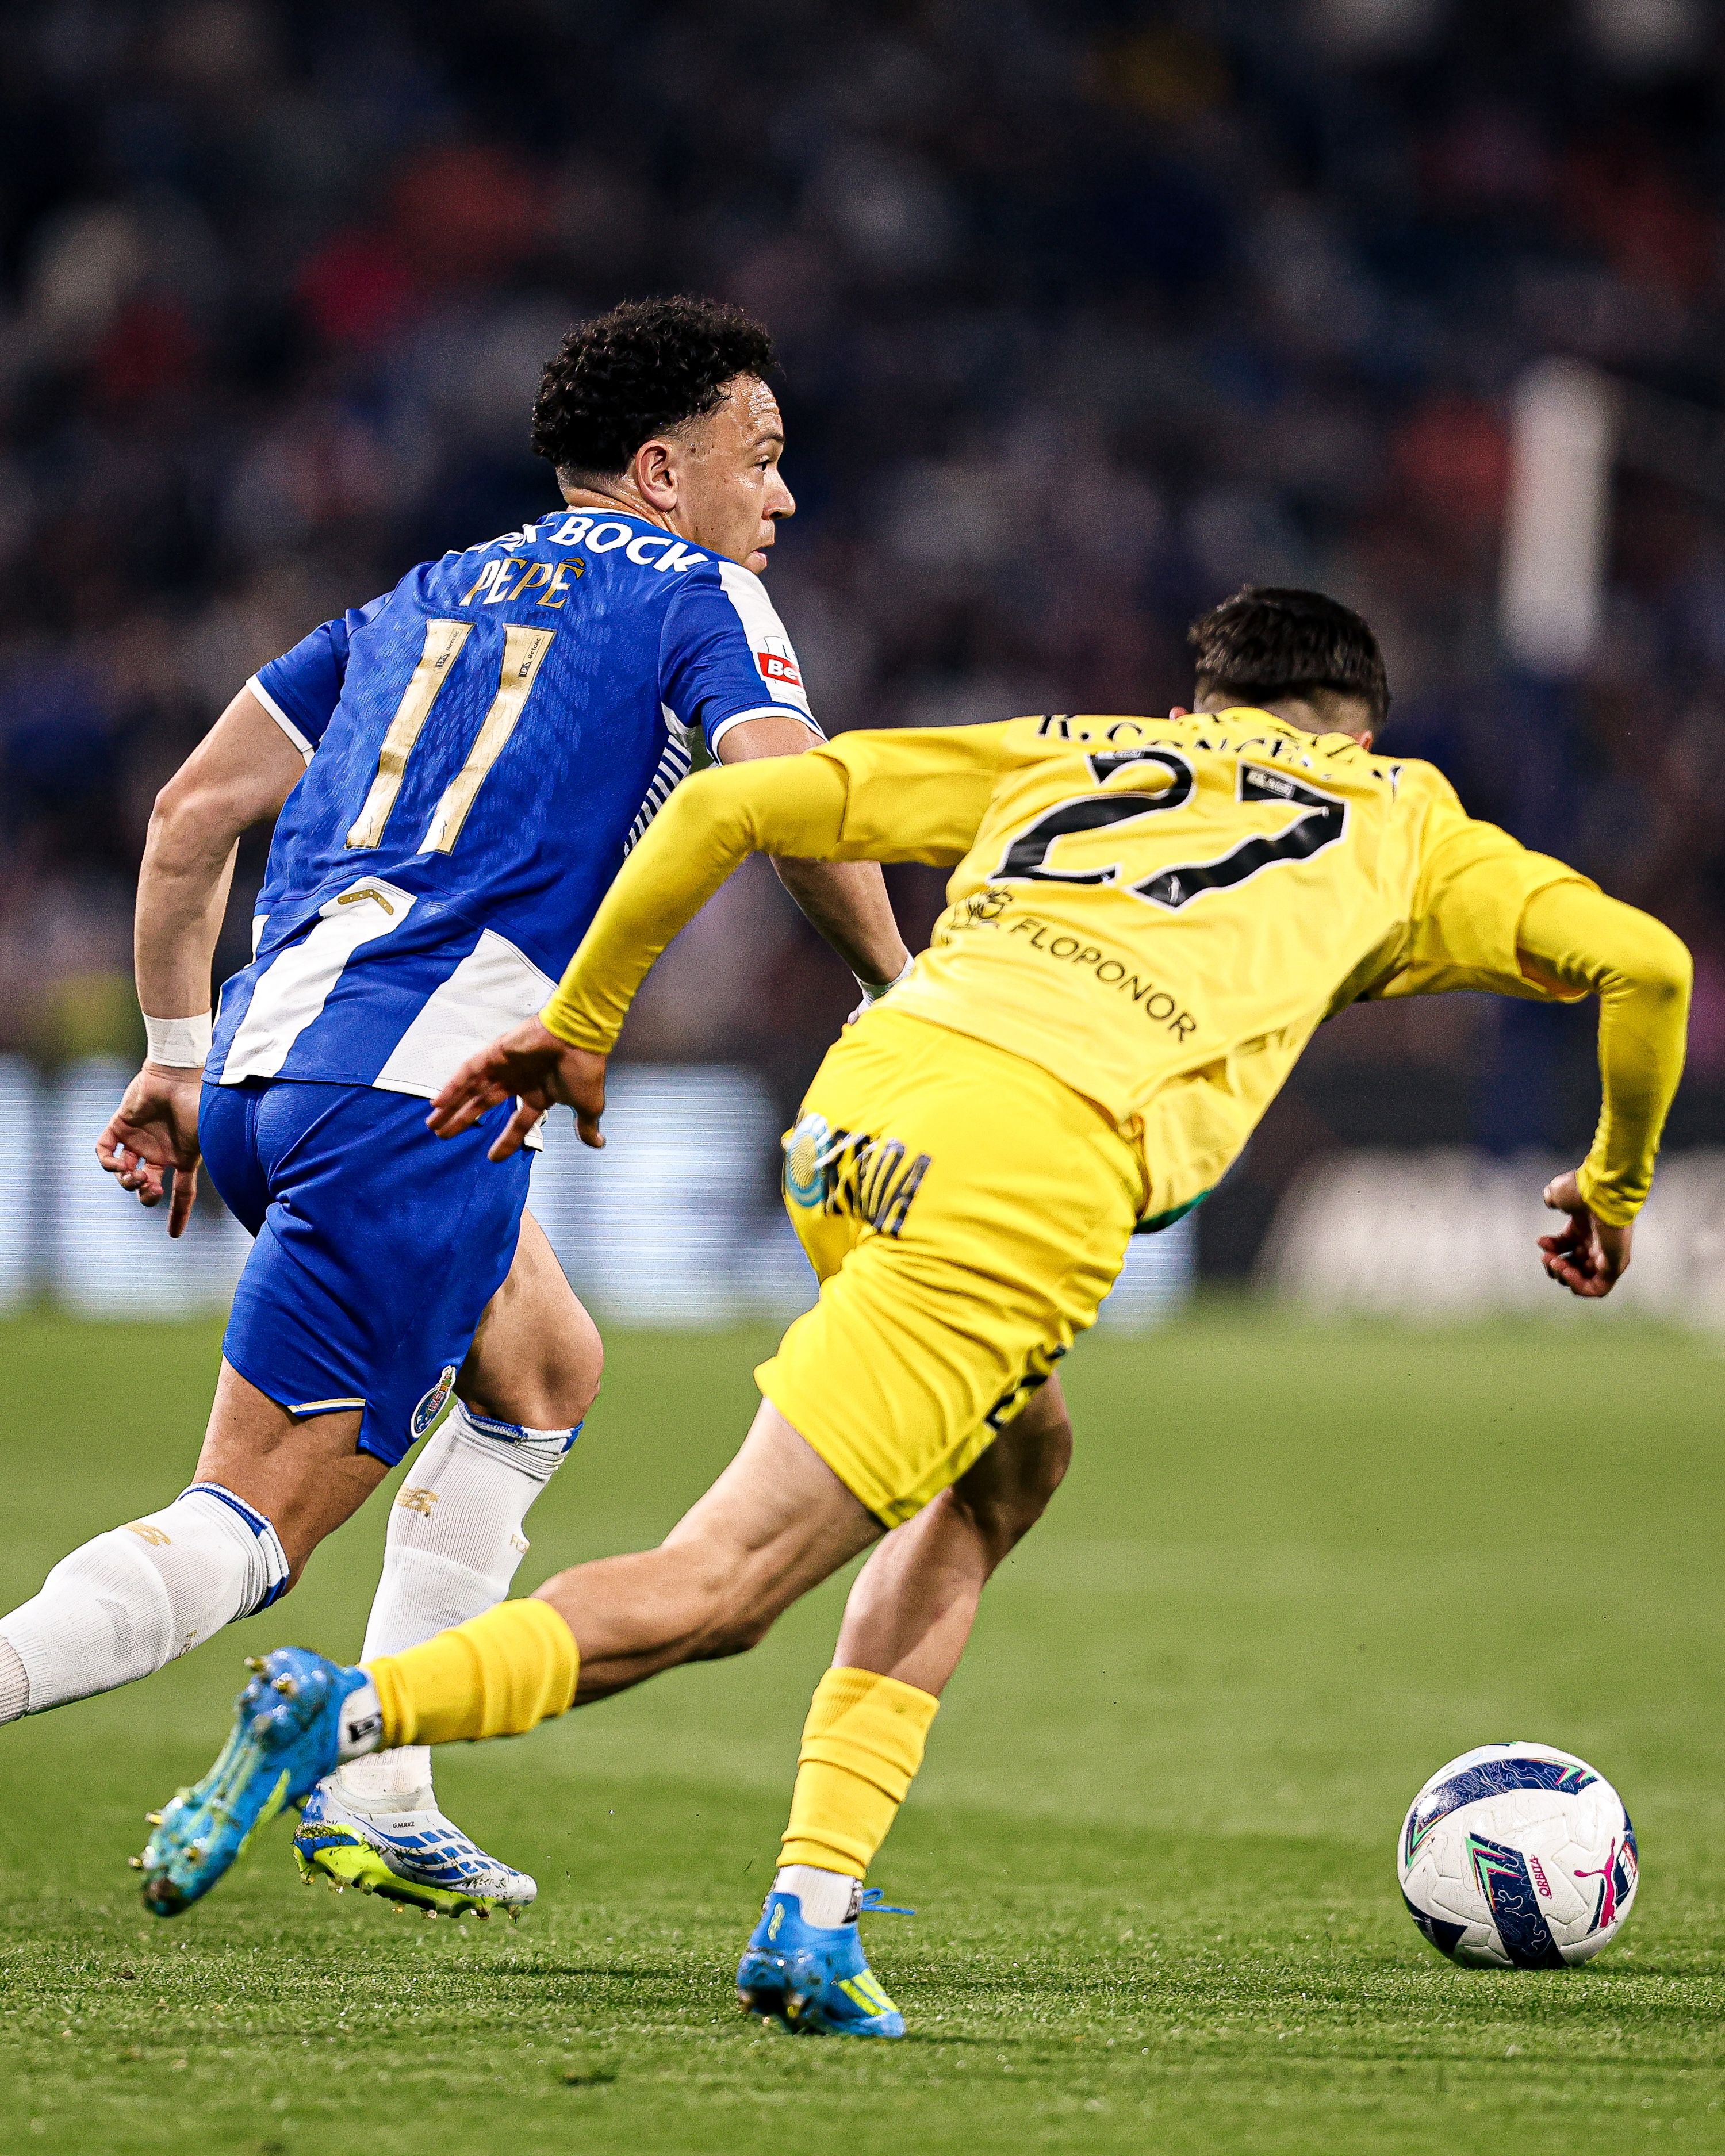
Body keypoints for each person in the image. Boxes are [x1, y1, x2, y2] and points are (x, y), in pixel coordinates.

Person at [140, 588, 1690, 2034]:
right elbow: (1648, 965)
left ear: (1204, 700)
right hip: (1026, 1175)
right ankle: (347, 1718)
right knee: (725, 1588)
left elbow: (733, 802)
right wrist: (1613, 1186)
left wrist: (585, 1018)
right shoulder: (1409, 820)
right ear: (1359, 722)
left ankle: (812, 1913)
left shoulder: (1078, 749)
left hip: (860, 1111)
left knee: (1012, 1468)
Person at [0, 295, 908, 1921]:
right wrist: (892, 997)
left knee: (547, 1366)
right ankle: (309, 1750)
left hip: (280, 1071)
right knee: (247, 1528)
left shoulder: (412, 595)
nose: (781, 500)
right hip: (410, 1099)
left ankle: (381, 1790)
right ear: (660, 470)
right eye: (760, 462)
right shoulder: (700, 598)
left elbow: (191, 813)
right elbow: (787, 795)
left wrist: (175, 1054)